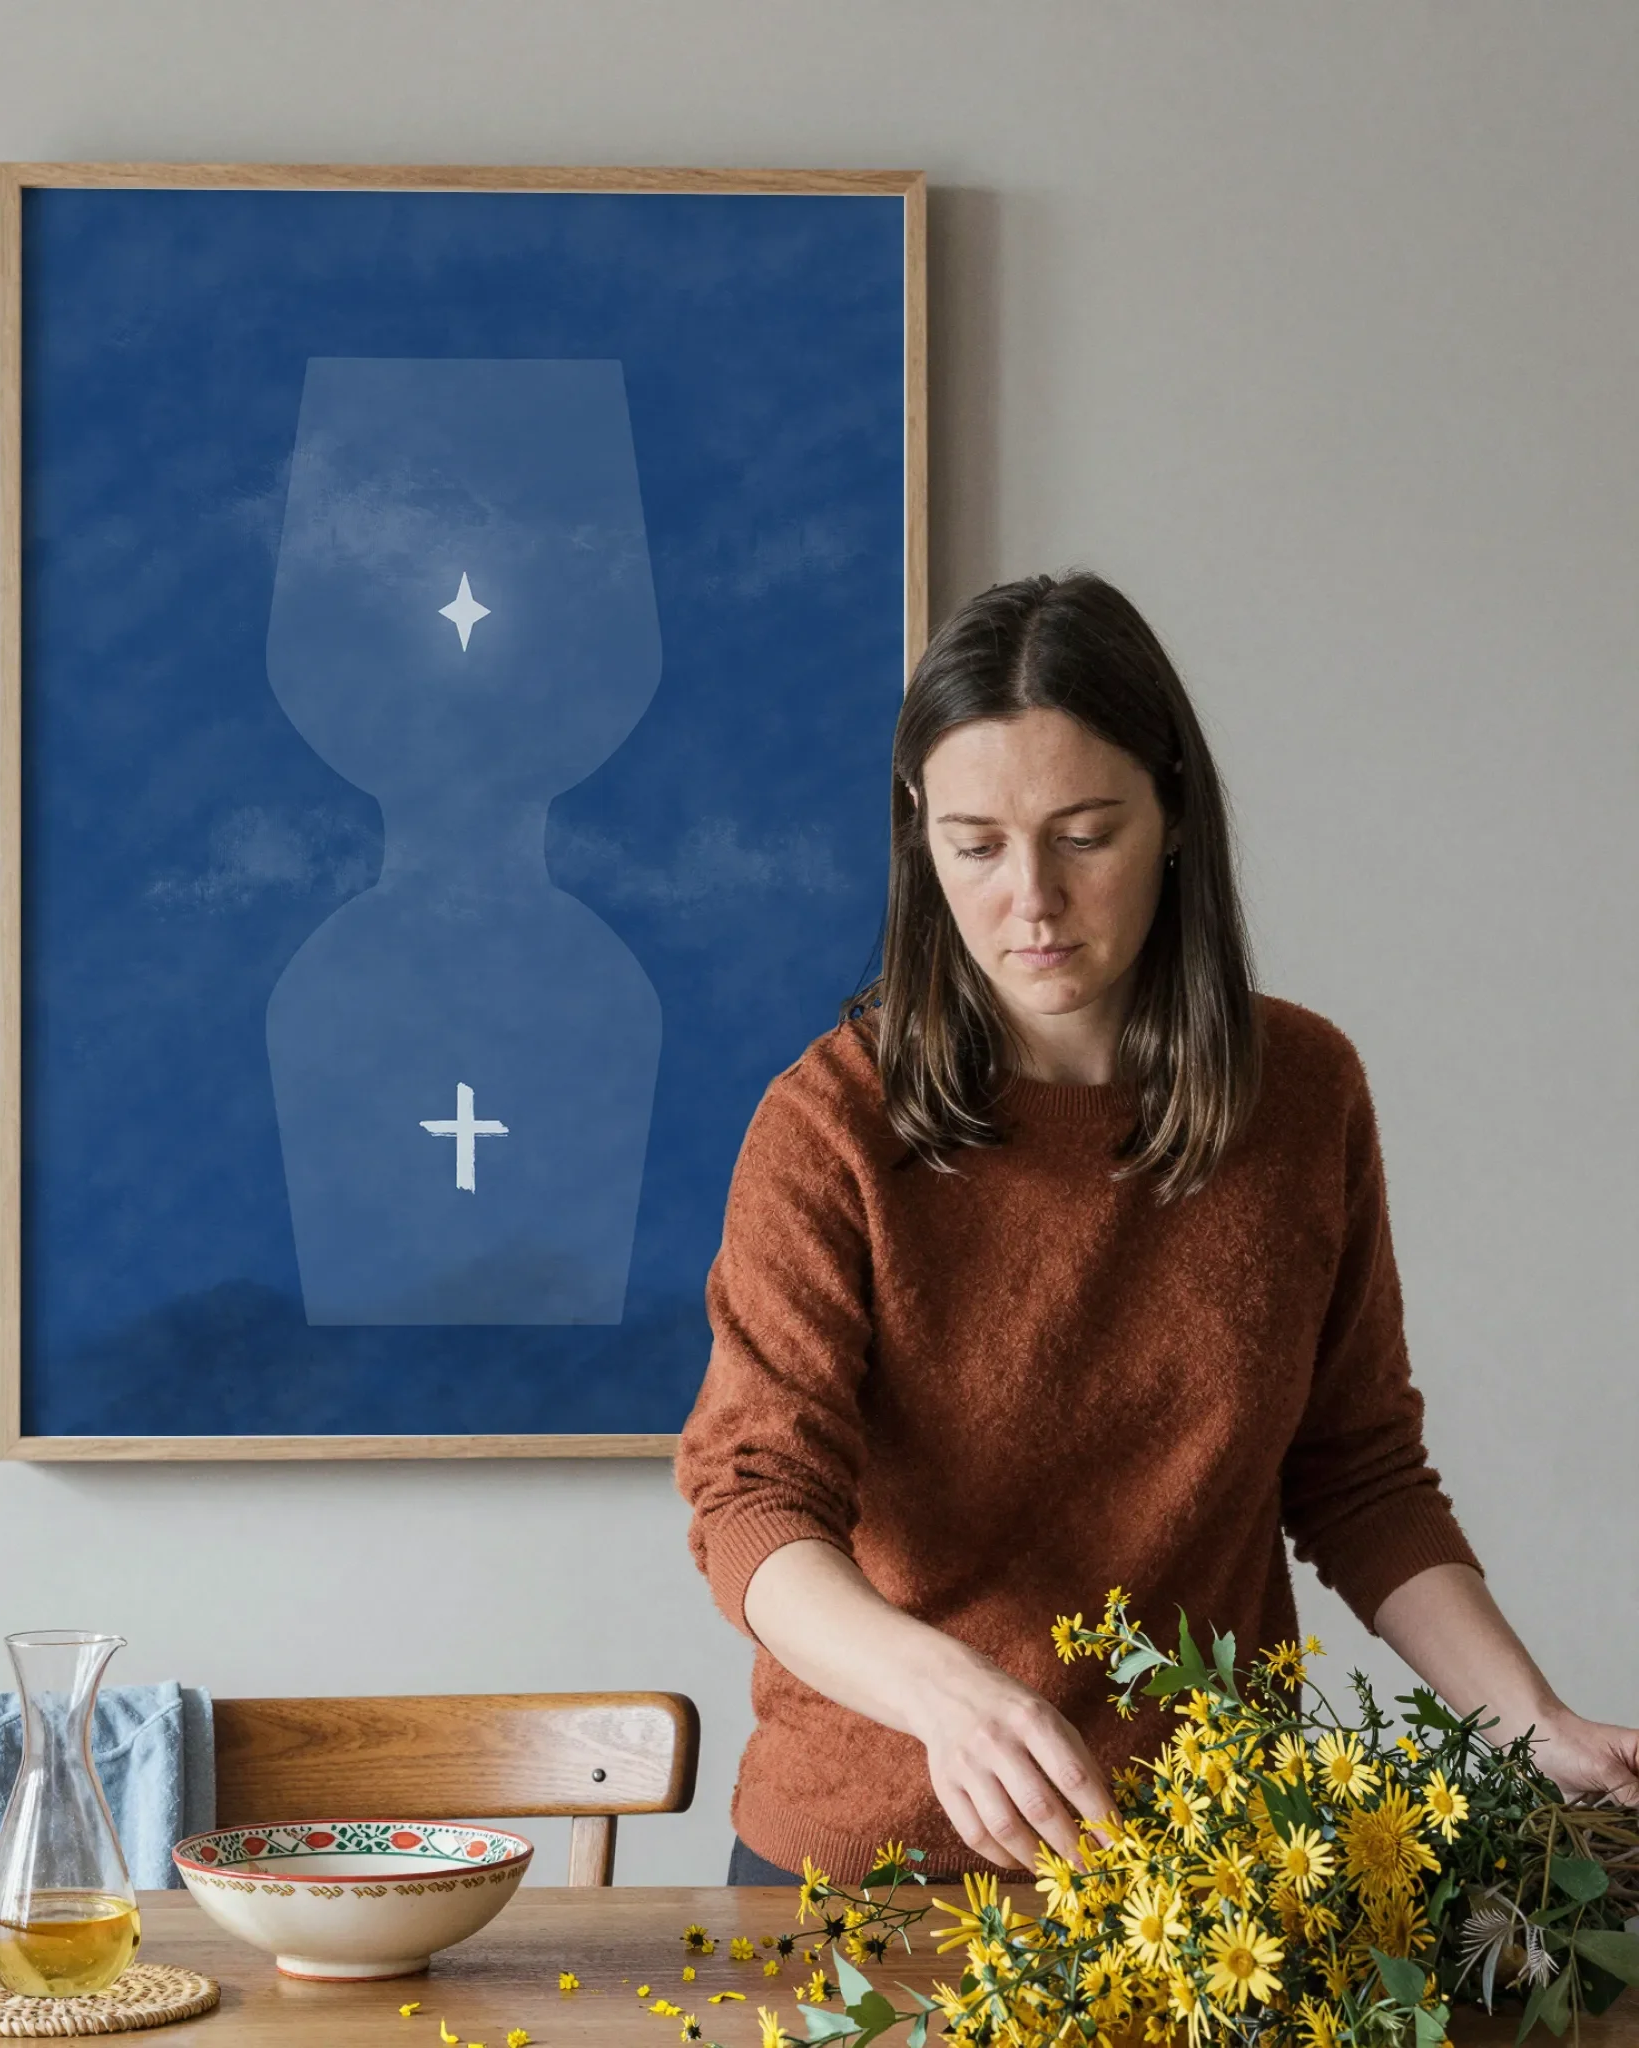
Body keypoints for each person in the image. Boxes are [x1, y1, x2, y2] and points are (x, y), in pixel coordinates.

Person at [675, 572, 1639, 1888]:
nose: (1033, 897)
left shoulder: (1301, 1095)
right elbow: (751, 1505)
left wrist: (1532, 1720)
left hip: (1212, 1875)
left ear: (1174, 814)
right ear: (919, 839)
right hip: (870, 1868)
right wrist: (948, 1695)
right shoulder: (831, 1126)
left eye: (1084, 834)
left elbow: (1358, 1475)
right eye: (975, 843)